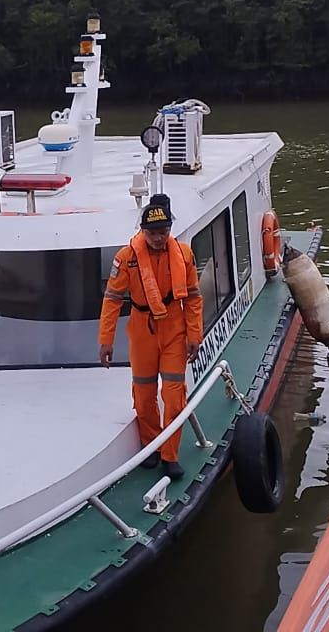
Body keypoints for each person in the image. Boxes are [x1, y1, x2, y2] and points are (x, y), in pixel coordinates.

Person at [97, 195, 204, 480]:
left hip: (174, 328)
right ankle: (151, 447)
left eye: (164, 232)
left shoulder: (184, 254)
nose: (158, 238)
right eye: (153, 233)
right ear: (143, 231)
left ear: (170, 230)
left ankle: (170, 455)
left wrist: (195, 333)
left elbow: (193, 298)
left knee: (173, 396)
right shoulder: (126, 258)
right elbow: (112, 300)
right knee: (143, 394)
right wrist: (106, 340)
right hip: (142, 329)